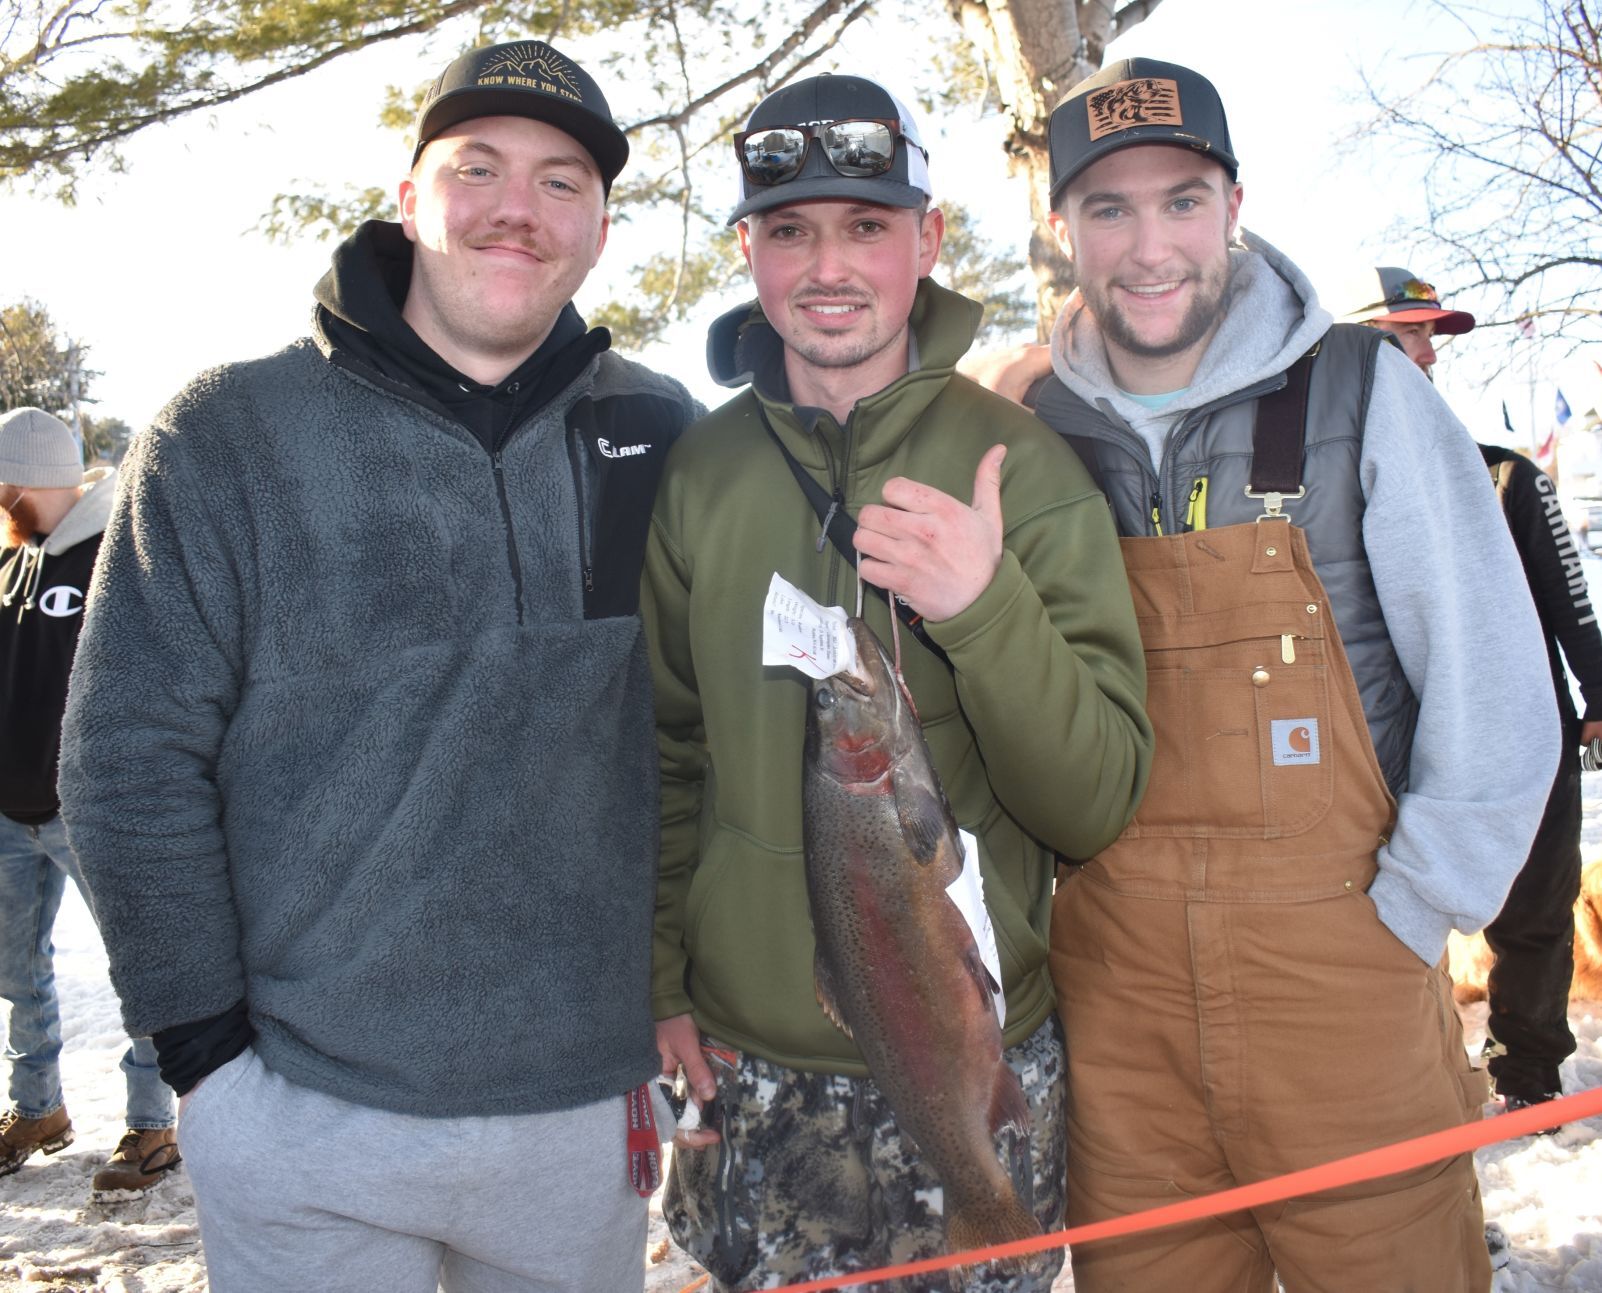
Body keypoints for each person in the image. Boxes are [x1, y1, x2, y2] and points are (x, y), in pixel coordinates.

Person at [56, 39, 698, 1292]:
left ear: (602, 228)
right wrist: (205, 1060)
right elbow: (128, 758)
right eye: (478, 167)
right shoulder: (227, 434)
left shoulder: (663, 432)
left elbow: (718, 747)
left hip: (581, 1122)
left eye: (563, 180)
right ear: (409, 198)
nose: (519, 207)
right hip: (304, 1116)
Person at [1020, 58, 1557, 1292]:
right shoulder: (1033, 431)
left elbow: (1494, 681)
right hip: (1119, 1013)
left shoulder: (1364, 396)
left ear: (1235, 204)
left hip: (1343, 990)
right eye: (1108, 209)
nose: (1148, 246)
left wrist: (1411, 913)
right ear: (1063, 231)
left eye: (1181, 201)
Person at [644, 73, 1152, 1292]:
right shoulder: (697, 474)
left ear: (927, 240)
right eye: (790, 231)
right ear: (750, 252)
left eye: (867, 226)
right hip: (755, 1071)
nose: (829, 266)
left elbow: (1096, 802)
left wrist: (984, 613)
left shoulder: (1020, 464)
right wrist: (663, 981)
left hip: (980, 1057)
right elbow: (664, 758)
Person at [1340, 265, 1602, 1115]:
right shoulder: (1318, 486)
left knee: (1534, 911)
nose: (1427, 355)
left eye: (1429, 338)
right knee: (1386, 918)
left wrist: (1598, 695)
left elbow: (1572, 601)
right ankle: (1406, 1084)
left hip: (1524, 736)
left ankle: (1524, 1076)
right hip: (1379, 745)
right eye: (1406, 334)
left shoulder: (1505, 477)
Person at [0, 406, 179, 1196]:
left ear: (25, 480)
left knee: (138, 969)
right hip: (10, 812)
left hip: (91, 810)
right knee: (16, 970)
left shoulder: (120, 557)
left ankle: (151, 1122)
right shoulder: (12, 565)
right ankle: (37, 1107)